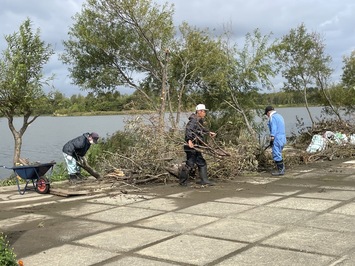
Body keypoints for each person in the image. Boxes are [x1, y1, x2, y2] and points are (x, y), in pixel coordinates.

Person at [179, 104, 216, 186]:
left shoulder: (199, 120)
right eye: (204, 111)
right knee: (190, 164)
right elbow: (188, 130)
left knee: (201, 162)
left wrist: (209, 132)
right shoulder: (193, 121)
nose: (205, 113)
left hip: (196, 146)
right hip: (191, 146)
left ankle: (204, 180)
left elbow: (201, 130)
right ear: (199, 112)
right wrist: (189, 140)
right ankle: (182, 182)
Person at [264, 106, 286, 175]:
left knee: (276, 154)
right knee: (279, 153)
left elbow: (274, 128)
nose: (267, 116)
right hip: (282, 137)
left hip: (277, 138)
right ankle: (282, 168)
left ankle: (281, 170)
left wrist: (272, 138)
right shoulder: (280, 116)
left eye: (266, 114)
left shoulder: (272, 118)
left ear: (268, 112)